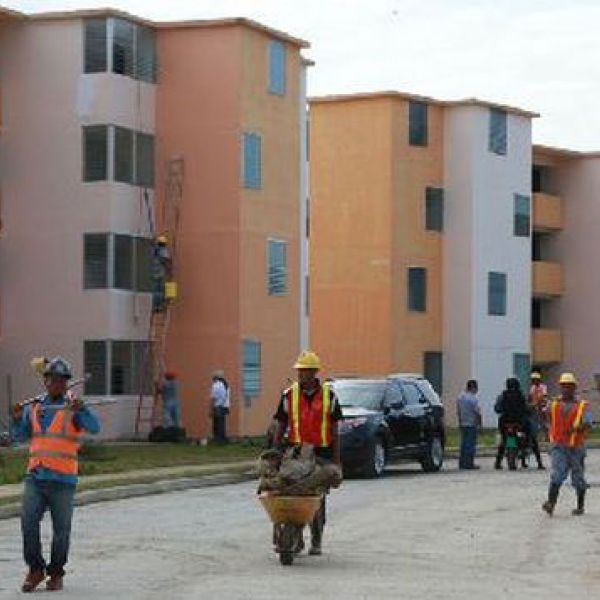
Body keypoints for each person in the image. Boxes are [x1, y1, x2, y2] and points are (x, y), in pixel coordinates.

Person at [11, 357, 101, 593]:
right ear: (46, 381)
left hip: (63, 480)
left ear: (67, 384)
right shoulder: (35, 407)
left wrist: (83, 409)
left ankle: (56, 573)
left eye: (62, 380)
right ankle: (35, 569)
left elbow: (94, 428)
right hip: (36, 476)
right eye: (53, 379)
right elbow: (20, 437)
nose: (58, 384)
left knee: (61, 532)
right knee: (28, 523)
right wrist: (16, 417)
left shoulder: (73, 406)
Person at [271, 350, 343, 556]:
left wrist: (337, 462)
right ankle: (289, 537)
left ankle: (316, 538)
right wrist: (276, 453)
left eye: (304, 371)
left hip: (322, 453)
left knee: (316, 497)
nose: (300, 374)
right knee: (287, 493)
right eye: (299, 371)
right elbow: (280, 424)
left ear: (314, 372)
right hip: (296, 453)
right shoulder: (288, 395)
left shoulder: (329, 396)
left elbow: (335, 430)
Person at [542, 372, 592, 516]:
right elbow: (546, 416)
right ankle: (551, 503)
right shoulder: (554, 404)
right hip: (559, 446)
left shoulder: (583, 405)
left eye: (568, 386)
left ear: (574, 387)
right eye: (563, 386)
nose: (565, 389)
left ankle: (580, 506)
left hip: (576, 447)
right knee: (557, 475)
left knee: (578, 478)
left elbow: (588, 424)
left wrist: (576, 428)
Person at [494, 377, 528, 470]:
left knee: (503, 442)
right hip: (518, 422)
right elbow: (525, 408)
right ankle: (523, 454)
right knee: (525, 436)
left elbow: (497, 408)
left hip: (505, 422)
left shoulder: (502, 395)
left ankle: (498, 462)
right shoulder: (521, 395)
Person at [456, 380, 482, 470]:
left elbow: (458, 411)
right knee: (470, 445)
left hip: (463, 423)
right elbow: (477, 412)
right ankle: (469, 463)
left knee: (463, 444)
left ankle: (462, 463)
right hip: (471, 424)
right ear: (473, 388)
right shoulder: (473, 398)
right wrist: (479, 423)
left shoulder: (460, 397)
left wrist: (459, 421)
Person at [526, 372, 547, 469]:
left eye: (535, 379)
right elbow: (530, 397)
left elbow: (543, 397)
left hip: (540, 407)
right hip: (533, 409)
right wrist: (531, 404)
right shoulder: (532, 388)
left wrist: (538, 404)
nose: (534, 381)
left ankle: (546, 435)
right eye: (532, 380)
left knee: (543, 419)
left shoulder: (543, 387)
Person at [152, 234, 172, 312]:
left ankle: (155, 306)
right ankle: (159, 306)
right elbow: (166, 262)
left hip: (153, 274)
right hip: (160, 274)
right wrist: (169, 270)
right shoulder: (163, 251)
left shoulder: (154, 251)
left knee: (155, 291)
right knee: (160, 291)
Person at [210, 371, 230, 443]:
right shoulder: (224, 385)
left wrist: (211, 409)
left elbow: (213, 398)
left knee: (216, 424)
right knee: (222, 424)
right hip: (223, 406)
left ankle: (217, 439)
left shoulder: (215, 385)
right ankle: (222, 439)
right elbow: (226, 396)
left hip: (217, 406)